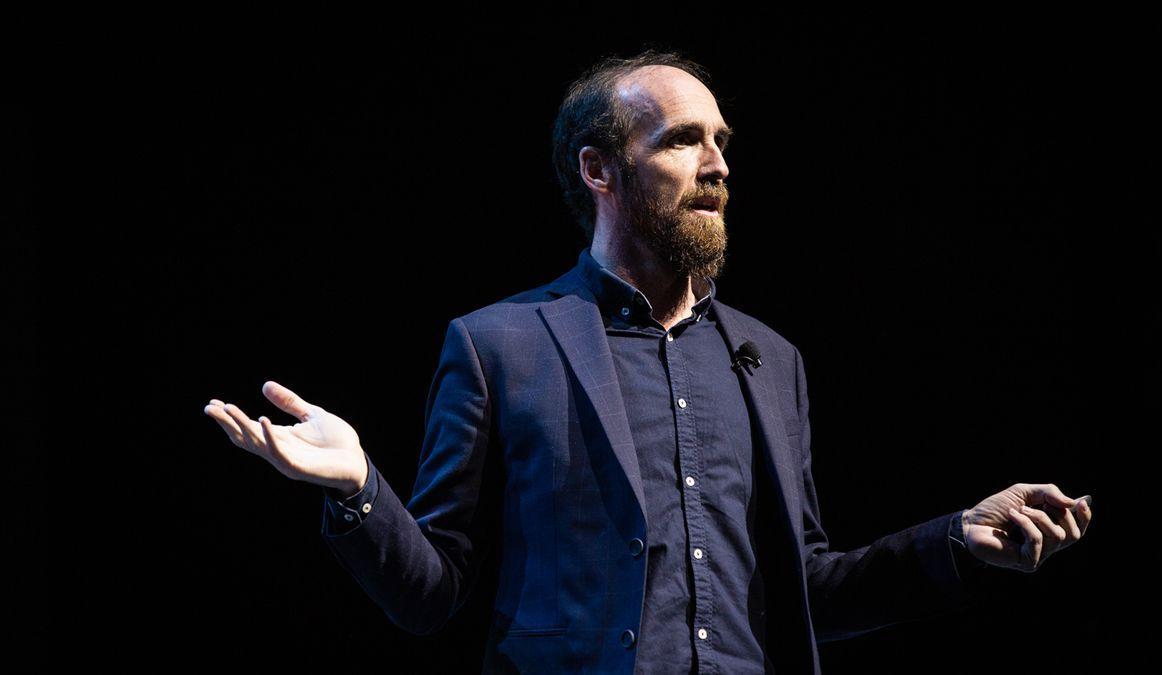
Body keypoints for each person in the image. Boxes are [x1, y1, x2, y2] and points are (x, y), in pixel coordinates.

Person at [203, 50, 1094, 673]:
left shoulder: (770, 360)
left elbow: (806, 586)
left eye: (722, 143)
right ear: (600, 169)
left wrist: (955, 539)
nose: (716, 166)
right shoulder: (499, 344)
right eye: (681, 140)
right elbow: (433, 593)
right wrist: (359, 486)